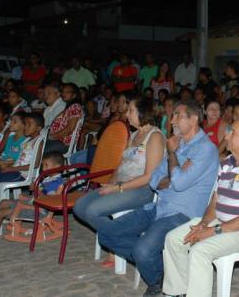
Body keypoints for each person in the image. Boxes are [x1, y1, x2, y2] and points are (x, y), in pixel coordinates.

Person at [93, 100, 218, 296]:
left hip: (183, 213)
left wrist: (171, 157)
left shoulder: (205, 149)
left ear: (194, 119)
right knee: (107, 233)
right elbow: (154, 179)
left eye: (178, 115)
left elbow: (179, 183)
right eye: (173, 115)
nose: (172, 120)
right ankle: (162, 273)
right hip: (159, 207)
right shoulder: (177, 143)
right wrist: (173, 172)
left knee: (144, 250)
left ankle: (157, 277)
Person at [162, 115, 239, 297]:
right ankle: (179, 291)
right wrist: (204, 222)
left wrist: (213, 231)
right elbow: (215, 201)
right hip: (221, 222)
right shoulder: (227, 163)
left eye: (232, 132)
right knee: (173, 239)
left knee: (200, 250)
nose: (226, 135)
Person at [74, 96, 164, 239]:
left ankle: (121, 241)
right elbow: (121, 165)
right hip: (120, 185)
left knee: (92, 211)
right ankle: (120, 235)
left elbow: (149, 177)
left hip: (142, 189)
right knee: (79, 207)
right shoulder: (134, 135)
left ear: (143, 112)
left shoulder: (155, 137)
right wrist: (111, 182)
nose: (127, 114)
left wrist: (117, 188)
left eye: (131, 110)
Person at [0, 151, 65, 245]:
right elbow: (39, 192)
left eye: (46, 165)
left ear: (58, 166)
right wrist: (33, 189)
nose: (43, 168)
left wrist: (36, 190)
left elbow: (51, 201)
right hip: (34, 203)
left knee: (1, 212)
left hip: (40, 211)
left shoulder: (55, 183)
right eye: (43, 165)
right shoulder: (49, 178)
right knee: (4, 202)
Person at [44, 83, 84, 154]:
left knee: (37, 151)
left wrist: (51, 137)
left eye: (67, 92)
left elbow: (69, 129)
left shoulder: (75, 107)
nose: (63, 94)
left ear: (74, 95)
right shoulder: (68, 108)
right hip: (56, 140)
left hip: (63, 143)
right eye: (63, 92)